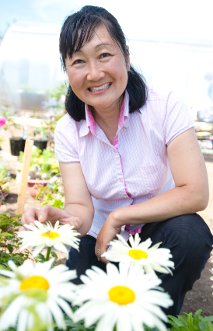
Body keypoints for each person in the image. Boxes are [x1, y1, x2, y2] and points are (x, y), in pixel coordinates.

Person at [22, 5, 213, 316]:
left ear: (126, 54)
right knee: (78, 305)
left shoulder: (164, 106)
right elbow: (81, 210)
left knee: (190, 236)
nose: (94, 74)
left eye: (104, 55)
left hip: (158, 228)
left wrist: (118, 216)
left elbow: (195, 193)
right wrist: (60, 216)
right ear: (67, 69)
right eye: (78, 61)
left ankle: (158, 316)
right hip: (100, 238)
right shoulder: (68, 130)